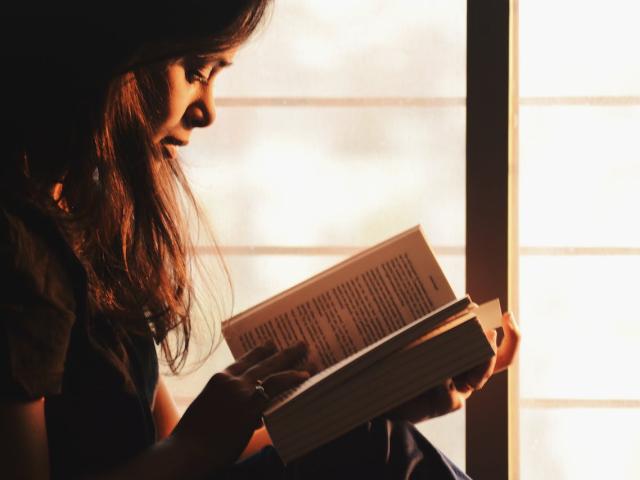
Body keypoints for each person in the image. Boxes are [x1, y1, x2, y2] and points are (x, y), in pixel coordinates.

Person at [0, 3, 520, 479]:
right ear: (112, 49)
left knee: (376, 441)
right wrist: (194, 448)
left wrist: (376, 398)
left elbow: (171, 448)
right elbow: (185, 453)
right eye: (197, 71)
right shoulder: (19, 254)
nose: (206, 110)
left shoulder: (88, 224)